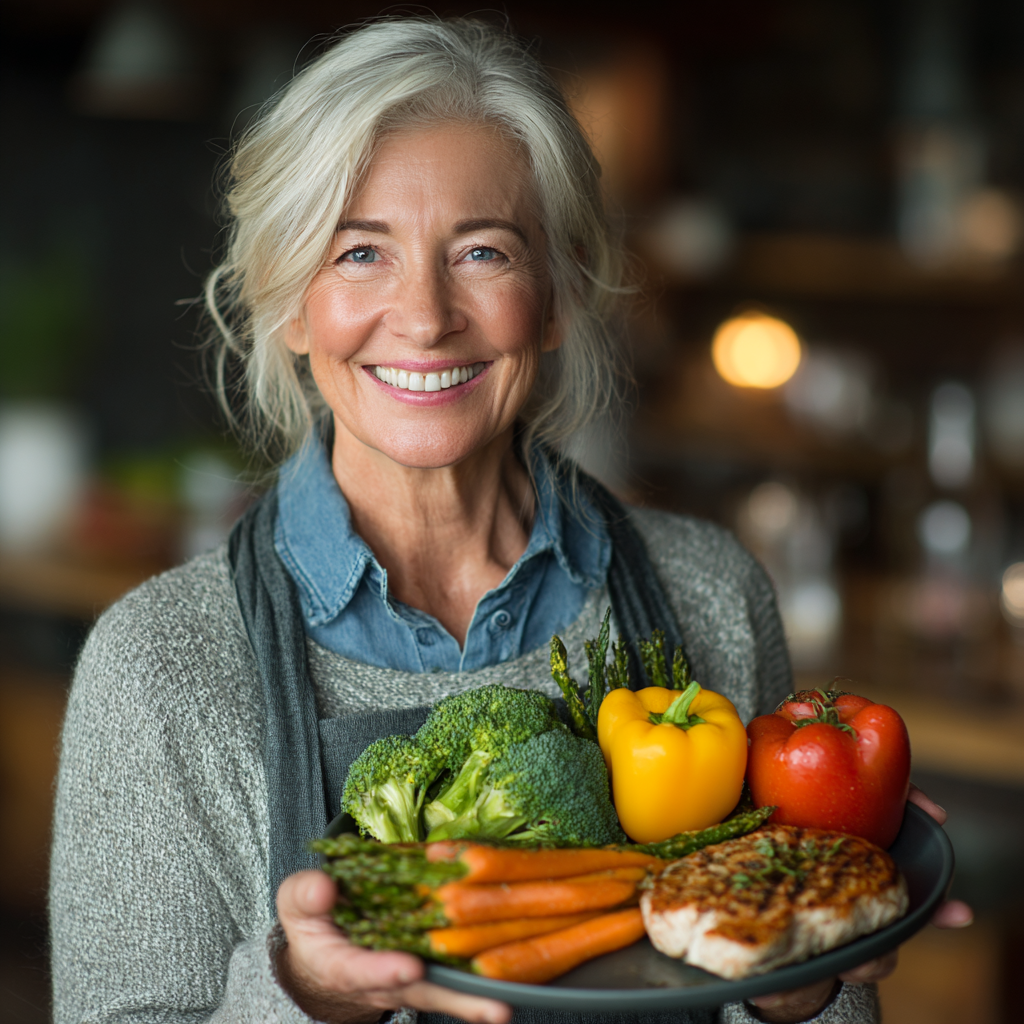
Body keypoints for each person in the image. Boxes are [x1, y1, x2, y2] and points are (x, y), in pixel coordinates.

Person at [49, 17, 970, 1024]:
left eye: (482, 251)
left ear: (558, 293)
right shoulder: (159, 665)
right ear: (289, 303)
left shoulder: (710, 591)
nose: (425, 315)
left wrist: (806, 986)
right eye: (360, 252)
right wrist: (304, 994)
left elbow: (804, 995)